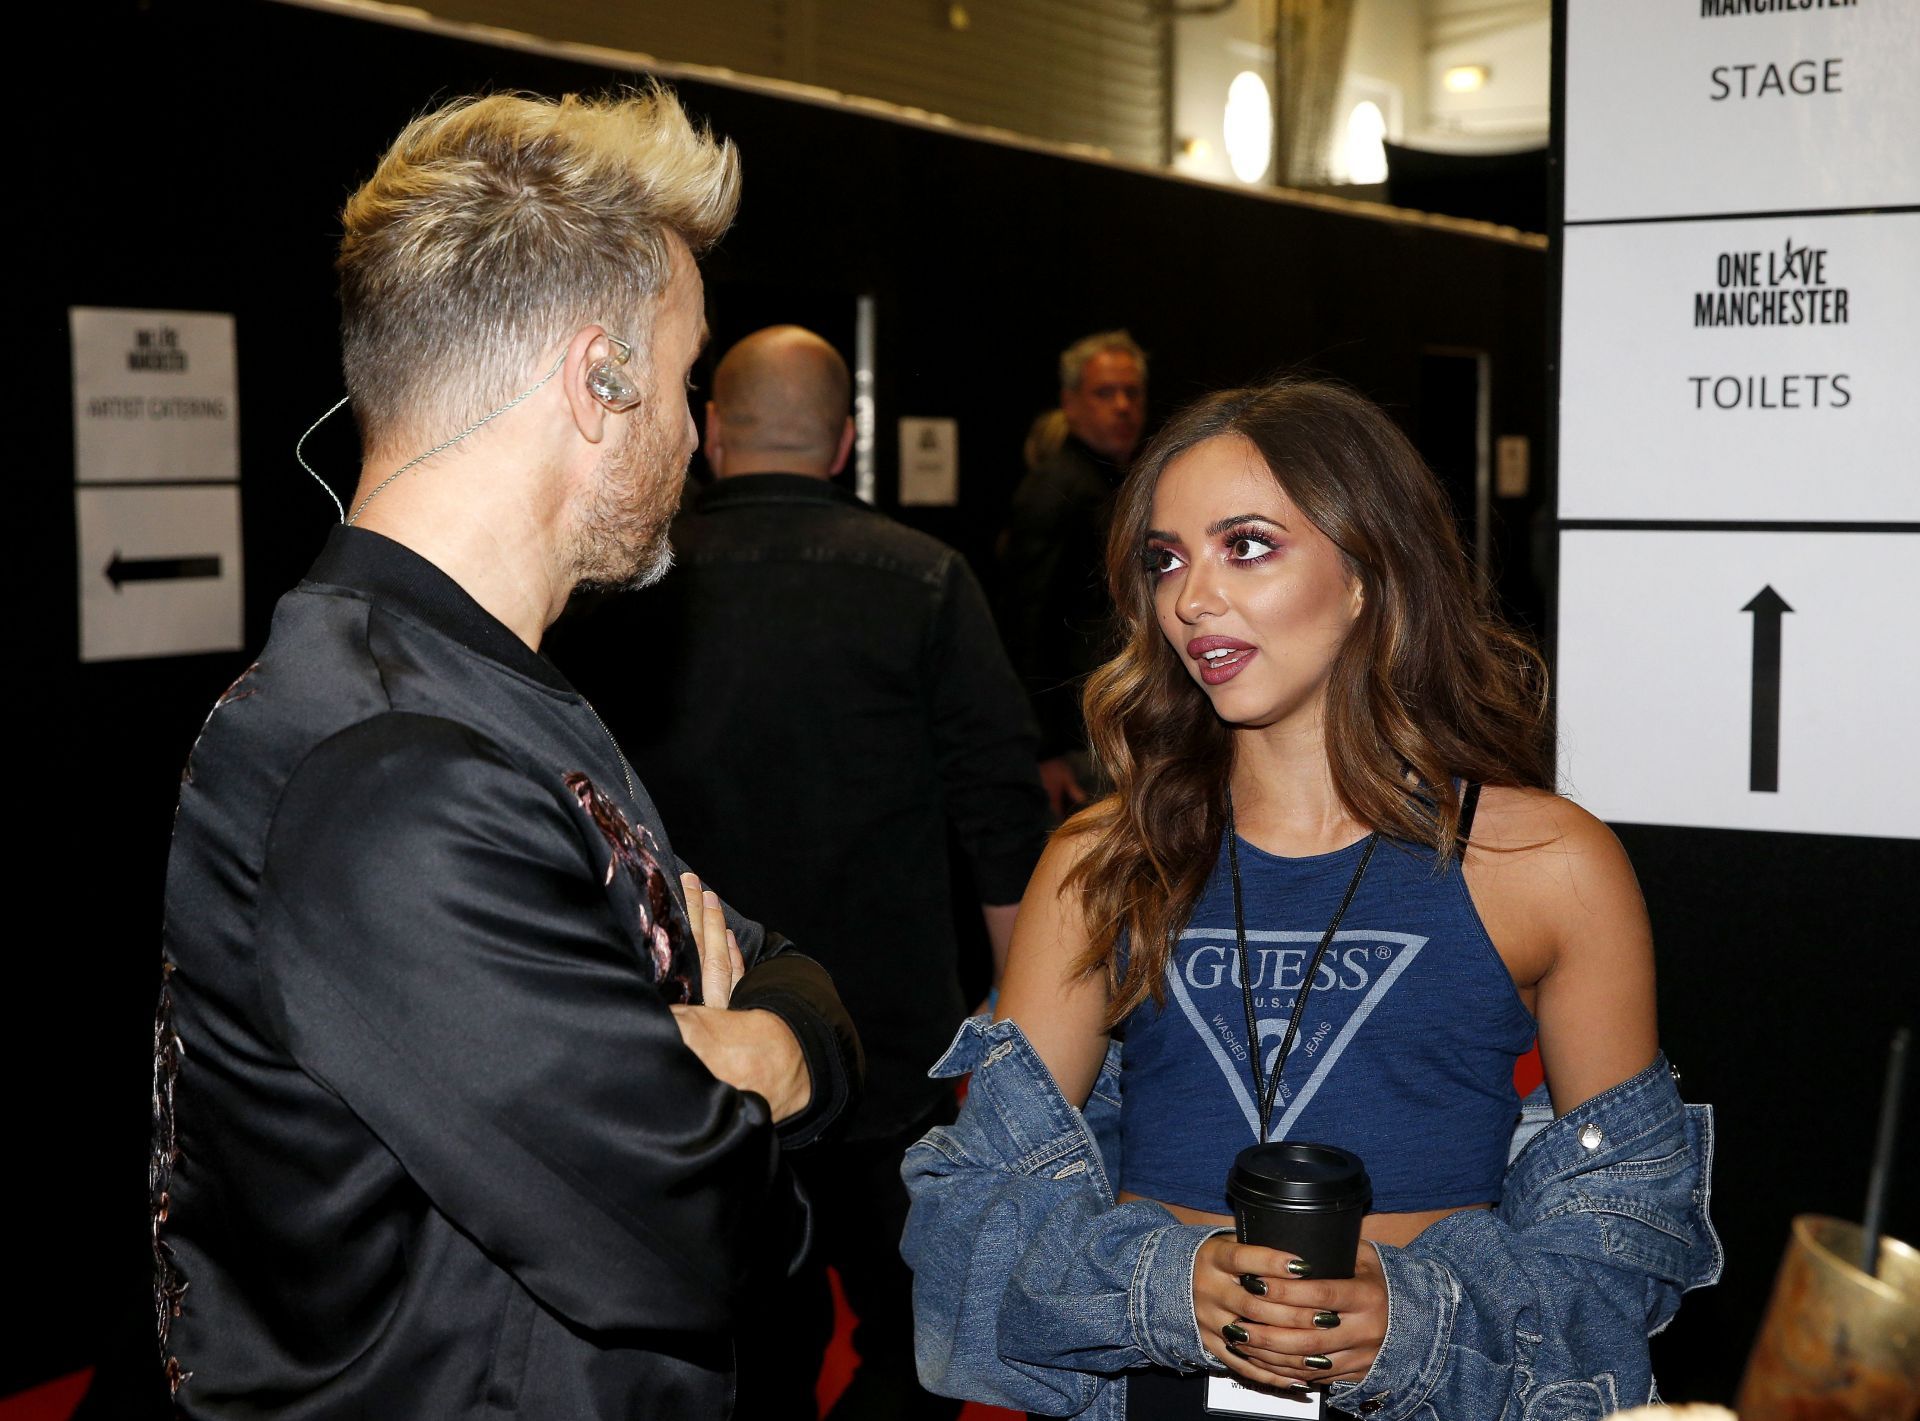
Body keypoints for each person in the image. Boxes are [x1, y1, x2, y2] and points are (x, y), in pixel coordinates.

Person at [153, 90, 862, 1417]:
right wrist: (754, 1077)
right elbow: (713, 1240)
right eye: (685, 374)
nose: (697, 431)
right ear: (599, 381)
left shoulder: (485, 701)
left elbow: (788, 974)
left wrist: (762, 1053)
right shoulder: (389, 777)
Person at [904, 379, 1720, 1419]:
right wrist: (1163, 1288)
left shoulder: (1547, 862)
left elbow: (1620, 1248)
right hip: (1156, 1392)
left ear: (1367, 572)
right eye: (1166, 559)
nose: (1192, 597)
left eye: (1246, 543)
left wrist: (1415, 1314)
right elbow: (966, 1223)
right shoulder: (1103, 862)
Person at [556, 323, 1050, 1420]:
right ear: (847, 439)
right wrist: (1017, 1021)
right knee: (919, 1334)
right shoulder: (926, 578)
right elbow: (1001, 813)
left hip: (696, 1041)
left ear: (713, 430)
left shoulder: (620, 586)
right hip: (890, 1039)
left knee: (747, 1336)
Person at [999, 330, 1148, 817]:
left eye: (1132, 392)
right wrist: (1042, 750)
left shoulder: (1121, 481)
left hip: (1115, 726)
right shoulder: (1057, 487)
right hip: (1076, 742)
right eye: (1105, 392)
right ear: (1071, 402)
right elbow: (1025, 621)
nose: (1122, 405)